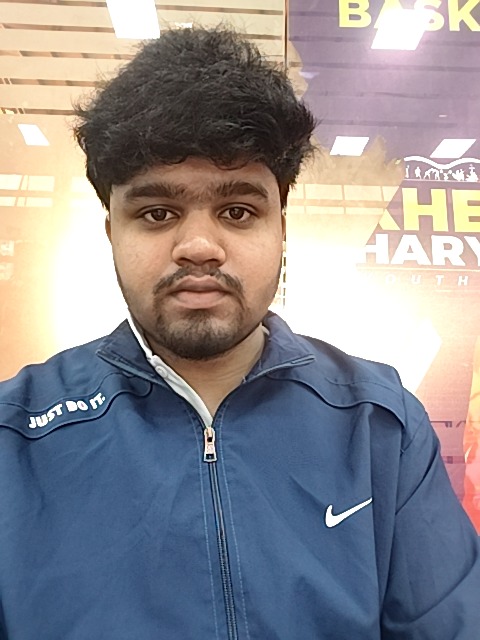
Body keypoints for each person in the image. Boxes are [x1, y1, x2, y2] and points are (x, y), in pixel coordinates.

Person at [0, 26, 479, 640]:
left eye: (238, 211)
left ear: (281, 228)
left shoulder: (378, 426)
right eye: (157, 213)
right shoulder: (16, 440)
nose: (199, 245)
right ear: (112, 232)